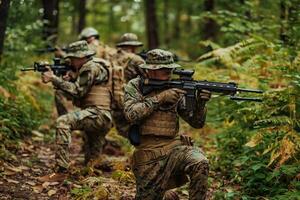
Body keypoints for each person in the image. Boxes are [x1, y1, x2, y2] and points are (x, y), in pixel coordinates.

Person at [123, 49, 211, 200]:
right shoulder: (136, 85)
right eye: (164, 70)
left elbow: (196, 123)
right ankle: (166, 195)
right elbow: (131, 115)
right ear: (149, 70)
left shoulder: (175, 88)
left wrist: (201, 103)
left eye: (170, 69)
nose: (168, 73)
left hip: (174, 149)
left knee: (200, 162)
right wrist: (161, 98)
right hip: (148, 154)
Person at [41, 40, 113, 173]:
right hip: (103, 117)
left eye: (73, 58)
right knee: (92, 163)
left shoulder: (89, 67)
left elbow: (78, 91)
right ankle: (104, 172)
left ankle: (61, 169)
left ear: (80, 56)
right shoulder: (95, 66)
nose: (71, 62)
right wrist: (68, 80)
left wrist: (54, 79)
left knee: (62, 122)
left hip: (96, 115)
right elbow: (79, 92)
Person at [110, 33, 145, 137]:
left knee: (124, 129)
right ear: (133, 47)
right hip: (130, 99)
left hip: (113, 99)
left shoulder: (112, 57)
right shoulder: (136, 59)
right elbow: (148, 75)